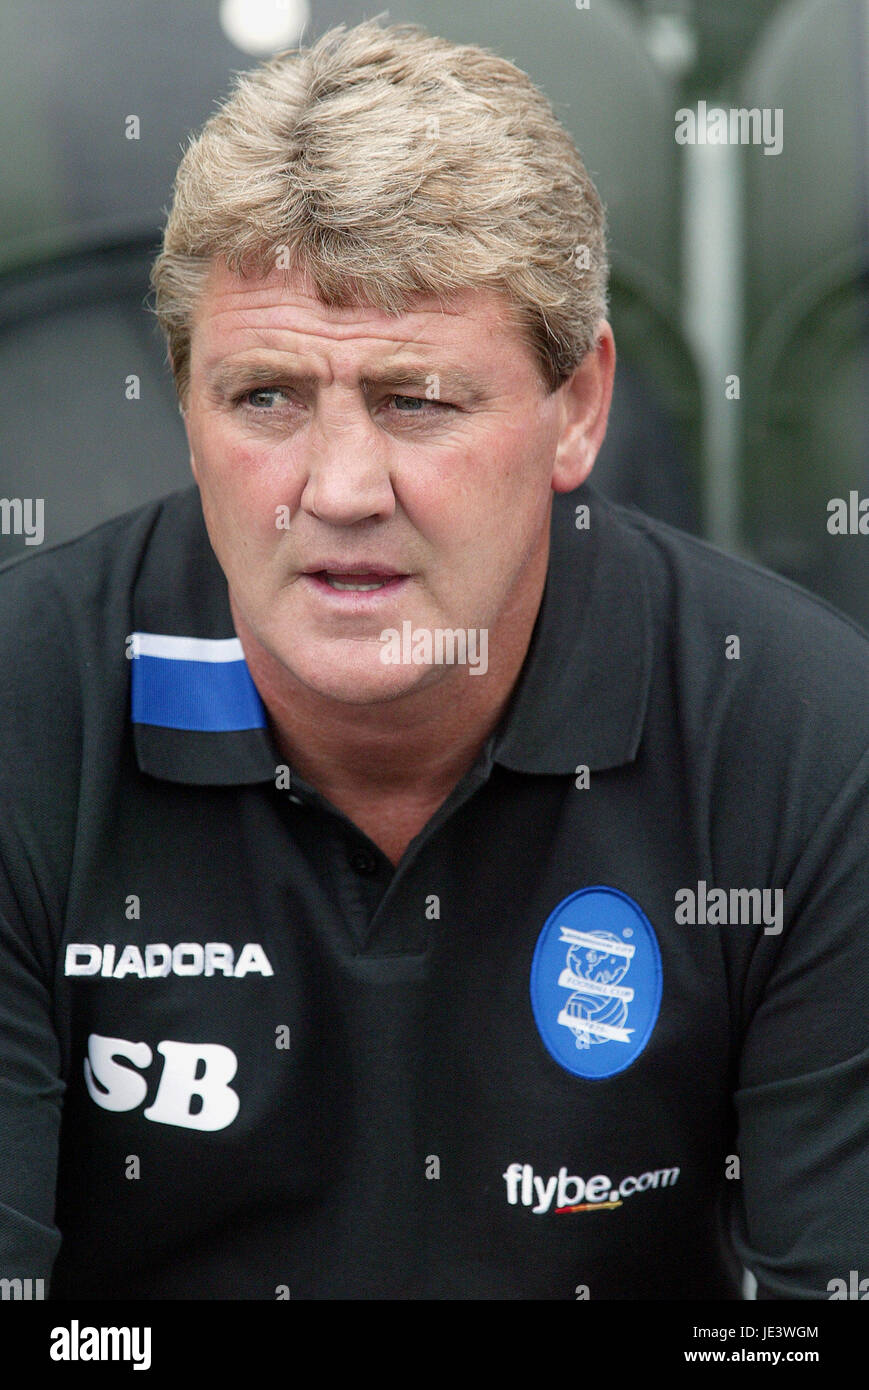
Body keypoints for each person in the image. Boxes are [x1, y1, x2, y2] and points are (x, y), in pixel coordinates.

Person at [0, 18, 865, 1302]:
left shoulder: (804, 734)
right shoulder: (24, 712)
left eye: (416, 400)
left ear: (576, 408)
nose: (339, 490)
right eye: (265, 399)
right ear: (184, 410)